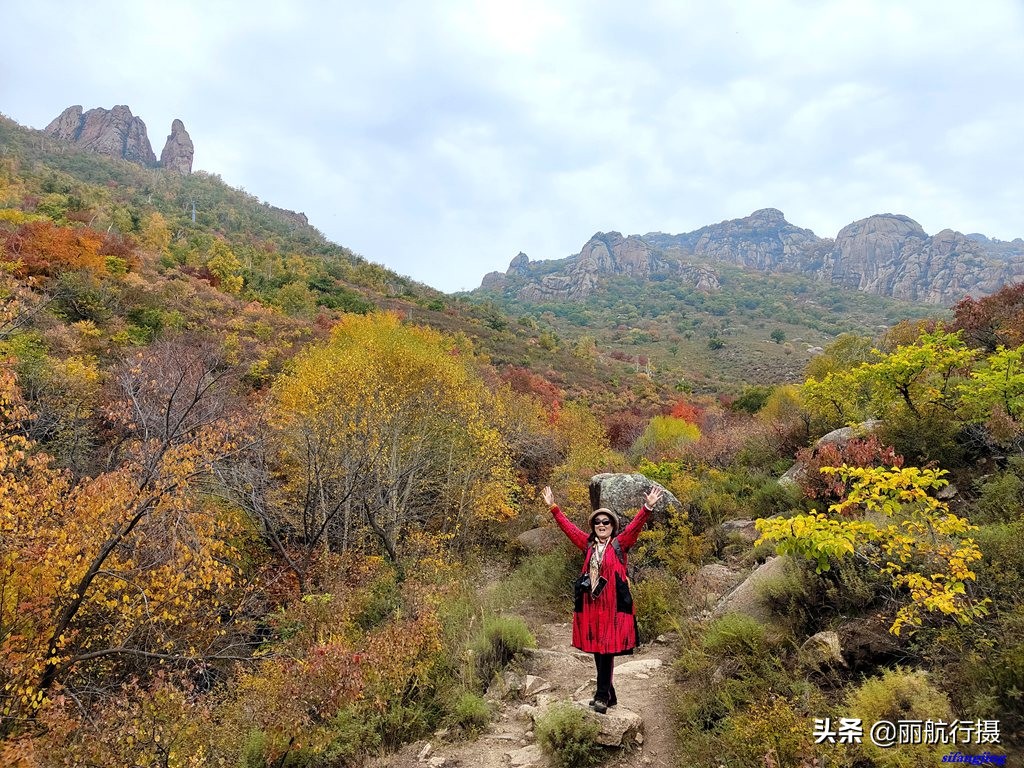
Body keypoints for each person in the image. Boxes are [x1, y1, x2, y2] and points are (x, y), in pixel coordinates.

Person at [541, 484, 663, 714]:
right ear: (593, 527)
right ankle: (610, 694)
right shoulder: (587, 545)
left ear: (612, 526)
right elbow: (568, 529)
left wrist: (647, 507)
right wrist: (553, 508)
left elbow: (636, 527)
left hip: (613, 606)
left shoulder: (620, 544)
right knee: (599, 649)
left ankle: (601, 696)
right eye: (598, 523)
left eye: (606, 522)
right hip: (591, 605)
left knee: (606, 649)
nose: (602, 525)